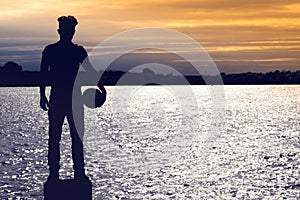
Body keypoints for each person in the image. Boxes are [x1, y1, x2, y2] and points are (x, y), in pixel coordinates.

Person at [39, 16, 105, 182]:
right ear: (60, 31)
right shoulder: (51, 51)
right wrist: (41, 94)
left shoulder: (76, 51)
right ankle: (55, 173)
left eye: (69, 29)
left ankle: (78, 173)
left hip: (72, 99)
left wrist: (102, 88)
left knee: (73, 138)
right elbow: (43, 74)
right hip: (59, 99)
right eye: (66, 29)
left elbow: (90, 70)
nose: (68, 32)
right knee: (56, 138)